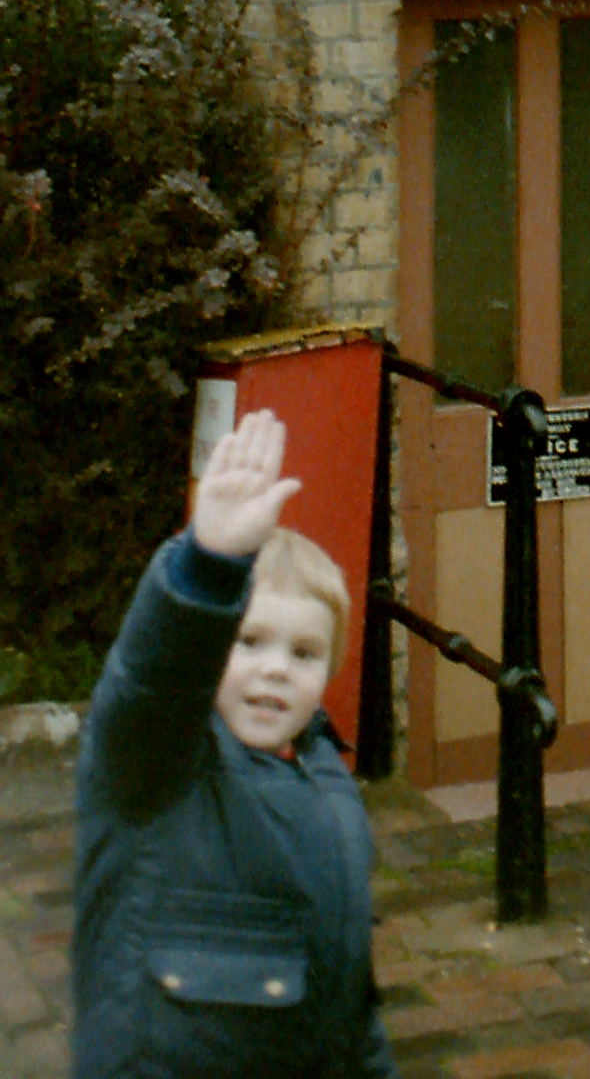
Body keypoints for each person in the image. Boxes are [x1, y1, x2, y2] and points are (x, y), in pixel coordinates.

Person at [72, 407, 396, 1077]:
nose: (276, 667)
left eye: (304, 653)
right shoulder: (153, 770)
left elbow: (346, 996)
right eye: (249, 643)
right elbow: (152, 682)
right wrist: (207, 566)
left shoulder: (328, 784)